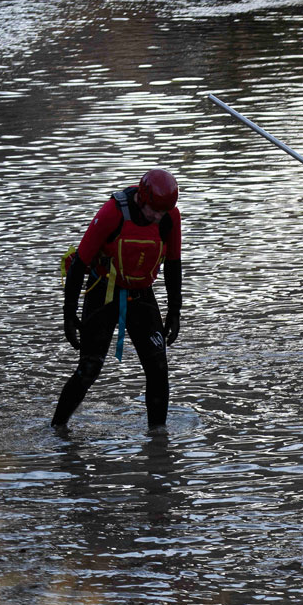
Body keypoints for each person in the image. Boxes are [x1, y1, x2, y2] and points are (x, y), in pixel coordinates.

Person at [53, 169, 183, 432]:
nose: (158, 217)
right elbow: (79, 265)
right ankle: (57, 428)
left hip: (141, 294)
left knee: (158, 368)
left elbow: (173, 265)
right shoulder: (112, 214)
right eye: (154, 211)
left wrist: (174, 311)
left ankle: (159, 440)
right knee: (90, 367)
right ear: (141, 199)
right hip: (103, 291)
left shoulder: (169, 217)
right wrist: (69, 314)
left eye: (163, 212)